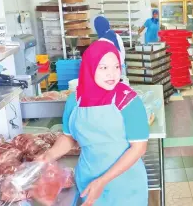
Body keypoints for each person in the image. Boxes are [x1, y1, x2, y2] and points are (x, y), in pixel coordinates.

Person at [38, 41, 149, 206]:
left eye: (116, 67)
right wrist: (47, 157)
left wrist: (103, 181)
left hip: (125, 184)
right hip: (88, 179)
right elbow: (69, 138)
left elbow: (139, 148)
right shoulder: (75, 100)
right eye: (103, 68)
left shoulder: (128, 100)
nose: (111, 74)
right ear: (90, 68)